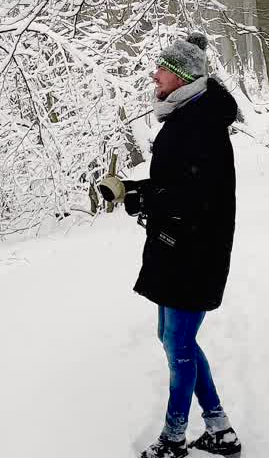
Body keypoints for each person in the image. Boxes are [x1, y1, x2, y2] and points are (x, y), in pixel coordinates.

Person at [99, 33, 242, 458]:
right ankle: (219, 428)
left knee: (178, 343)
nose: (154, 75)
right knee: (171, 336)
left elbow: (198, 195)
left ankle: (174, 437)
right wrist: (129, 189)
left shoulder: (200, 124)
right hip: (178, 246)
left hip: (195, 251)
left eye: (162, 70)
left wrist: (145, 198)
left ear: (181, 77)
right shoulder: (188, 117)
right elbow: (177, 183)